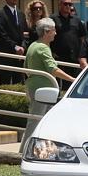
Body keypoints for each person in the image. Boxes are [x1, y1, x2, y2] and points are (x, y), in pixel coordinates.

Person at [19, 17, 76, 152]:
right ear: (46, 32)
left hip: (34, 87)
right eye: (53, 30)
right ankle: (24, 151)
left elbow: (26, 66)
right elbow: (53, 69)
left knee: (43, 121)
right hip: (43, 90)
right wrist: (73, 79)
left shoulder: (33, 45)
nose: (55, 33)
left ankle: (42, 150)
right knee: (36, 120)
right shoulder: (43, 48)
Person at [50, 0, 86, 89]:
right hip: (58, 59)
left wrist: (81, 55)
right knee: (57, 85)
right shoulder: (52, 19)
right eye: (66, 4)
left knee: (72, 84)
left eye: (70, 4)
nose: (68, 6)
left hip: (74, 59)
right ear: (60, 4)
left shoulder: (77, 20)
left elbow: (82, 38)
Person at [0, 0, 27, 85]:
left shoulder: (21, 14)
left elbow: (25, 34)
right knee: (5, 83)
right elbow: (2, 35)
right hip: (6, 54)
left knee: (19, 83)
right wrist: (15, 47)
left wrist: (23, 47)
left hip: (19, 56)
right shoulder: (0, 13)